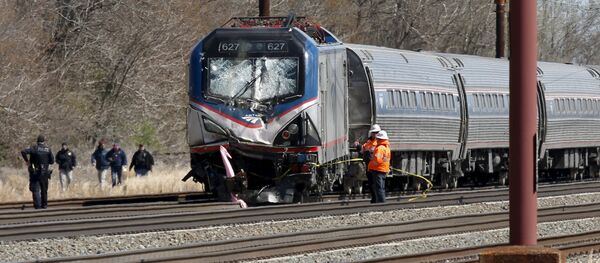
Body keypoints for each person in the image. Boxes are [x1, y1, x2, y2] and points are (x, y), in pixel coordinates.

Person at [21, 135, 54, 209]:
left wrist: (27, 161)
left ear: (37, 141)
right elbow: (52, 161)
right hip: (45, 172)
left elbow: (23, 151)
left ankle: (38, 206)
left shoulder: (34, 148)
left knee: (35, 189)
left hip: (35, 172)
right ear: (44, 141)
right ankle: (44, 205)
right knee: (44, 189)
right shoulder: (48, 149)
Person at [355, 124, 381, 203]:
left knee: (377, 184)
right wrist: (358, 146)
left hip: (377, 167)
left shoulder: (379, 142)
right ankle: (374, 199)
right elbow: (362, 150)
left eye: (376, 132)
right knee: (371, 184)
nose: (375, 134)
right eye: (374, 132)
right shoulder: (369, 142)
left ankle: (378, 200)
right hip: (369, 167)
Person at [368, 130, 391, 203]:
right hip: (384, 169)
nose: (376, 139)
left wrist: (372, 164)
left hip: (378, 170)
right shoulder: (387, 147)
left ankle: (381, 203)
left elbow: (377, 160)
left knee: (378, 188)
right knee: (382, 187)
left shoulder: (379, 148)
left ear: (379, 139)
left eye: (377, 138)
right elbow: (387, 159)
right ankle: (382, 202)